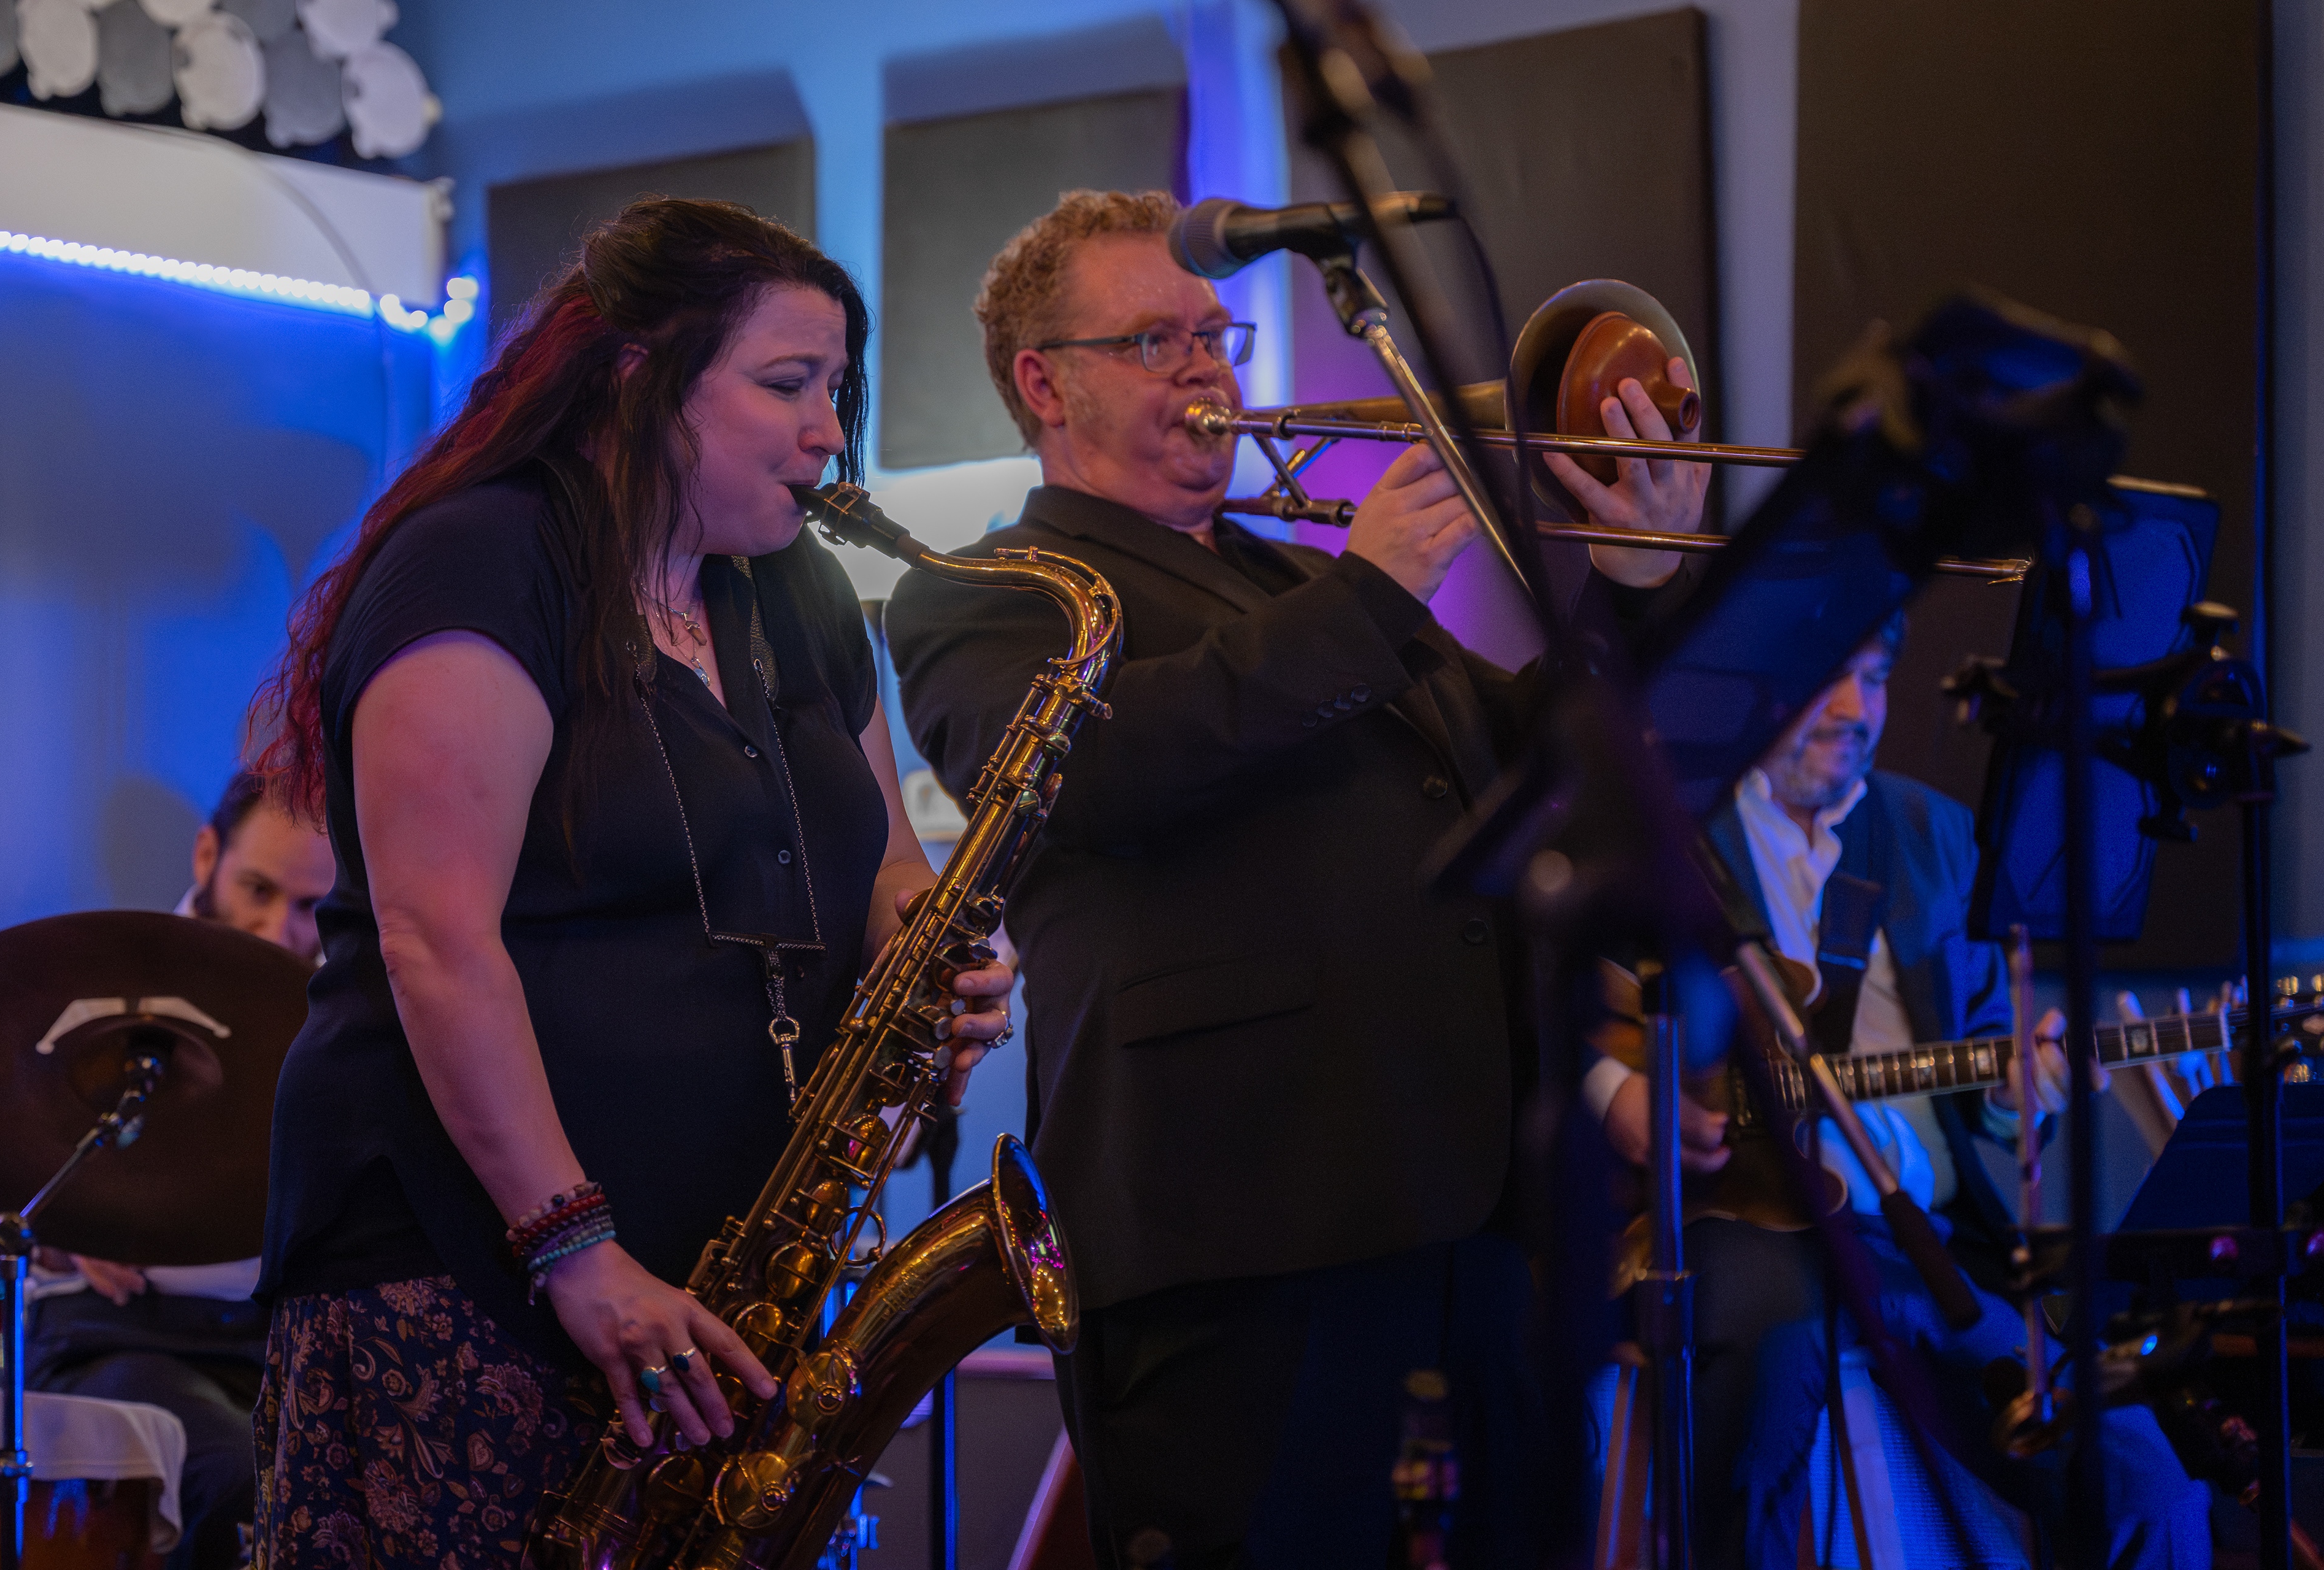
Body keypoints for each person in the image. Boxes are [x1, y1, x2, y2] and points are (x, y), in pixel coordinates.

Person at [886, 188, 1711, 1568]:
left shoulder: (1292, 580)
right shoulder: (987, 590)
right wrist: (1370, 595)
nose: (1205, 369)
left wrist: (1634, 584)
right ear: (1044, 382)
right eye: (1154, 340)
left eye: (1217, 335)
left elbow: (1540, 761)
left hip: (1468, 1212)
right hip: (1235, 1225)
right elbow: (1097, 768)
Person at [244, 197, 1015, 1569]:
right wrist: (578, 1249)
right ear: (636, 374)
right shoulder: (484, 561)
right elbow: (434, 938)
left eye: (835, 389)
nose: (828, 431)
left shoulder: (796, 593)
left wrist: (926, 950)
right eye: (786, 383)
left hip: (717, 1274)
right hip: (463, 1259)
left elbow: (887, 859)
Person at [1595, 619, 2211, 1569]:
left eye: (1876, 679)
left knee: (2145, 1480)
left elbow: (1984, 1073)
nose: (1855, 711)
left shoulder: (1939, 835)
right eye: (1827, 680)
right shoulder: (1666, 832)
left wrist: (2020, 1090)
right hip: (1736, 1222)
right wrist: (1618, 1096)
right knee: (1763, 1390)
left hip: (1924, 1242)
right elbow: (1556, 1010)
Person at [19, 769, 332, 1570]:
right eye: (258, 889)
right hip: (120, 1333)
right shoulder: (103, 980)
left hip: (284, 1342)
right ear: (205, 856)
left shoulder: (350, 1002)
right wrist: (61, 1217)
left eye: (311, 906)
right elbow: (3, 1134)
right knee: (239, 1482)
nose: (278, 929)